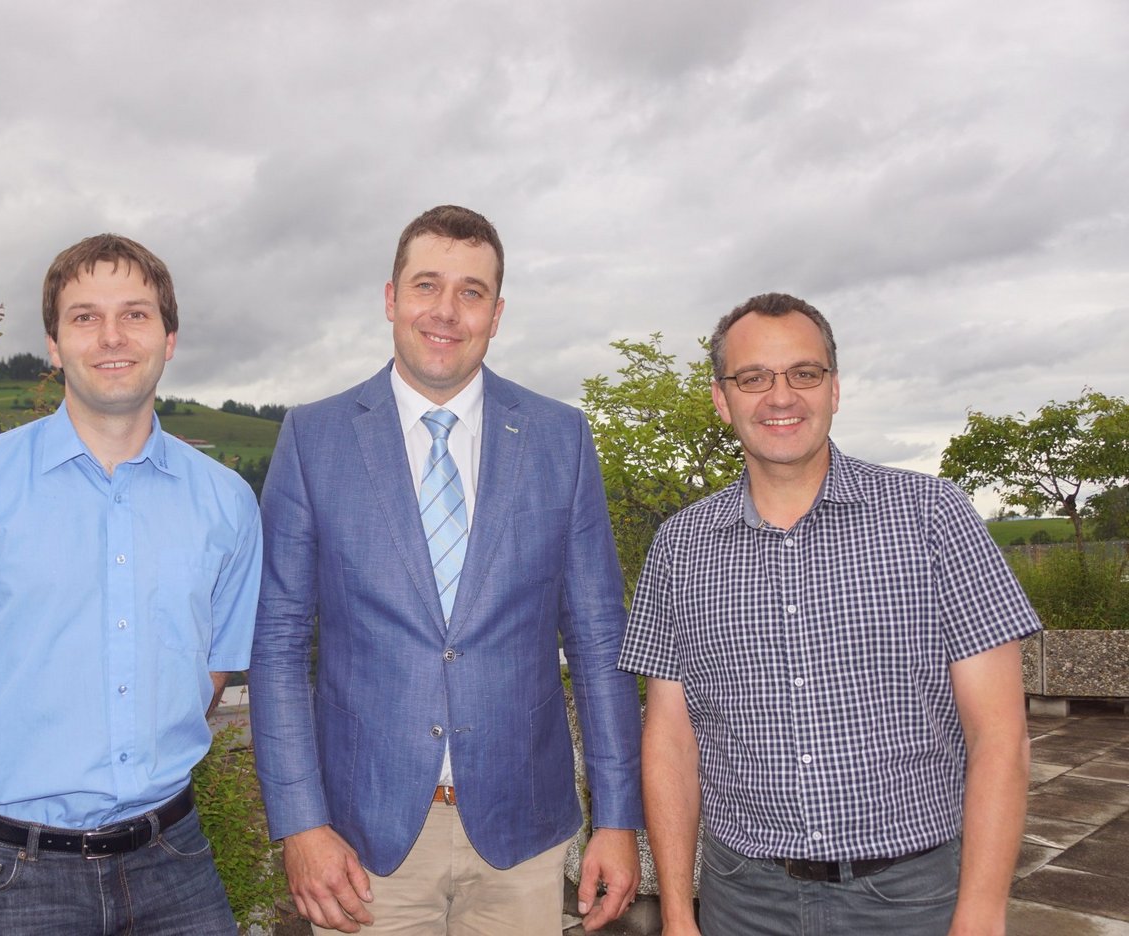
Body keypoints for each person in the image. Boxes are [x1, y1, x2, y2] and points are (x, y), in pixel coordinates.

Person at [248, 205, 643, 934]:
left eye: (471, 292)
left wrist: (618, 820)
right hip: (361, 844)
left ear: (497, 313)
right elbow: (276, 647)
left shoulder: (561, 439)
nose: (446, 311)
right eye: (427, 285)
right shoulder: (313, 438)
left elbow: (596, 643)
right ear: (391, 298)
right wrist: (300, 824)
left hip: (521, 839)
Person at [0, 234, 261, 935]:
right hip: (11, 878)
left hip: (176, 860)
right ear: (52, 345)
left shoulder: (228, 503)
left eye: (135, 314)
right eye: (84, 317)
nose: (111, 336)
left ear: (170, 339)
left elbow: (216, 666)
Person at [619, 293, 1041, 935]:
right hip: (743, 900)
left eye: (804, 374)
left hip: (913, 899)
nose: (780, 397)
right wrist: (679, 912)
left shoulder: (933, 518)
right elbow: (671, 741)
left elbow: (1000, 737)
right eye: (753, 378)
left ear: (834, 389)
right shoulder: (680, 547)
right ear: (721, 399)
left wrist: (981, 913)